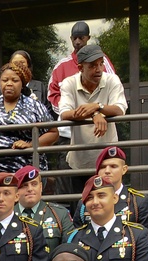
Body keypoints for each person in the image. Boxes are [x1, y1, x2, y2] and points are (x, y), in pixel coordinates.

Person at [0, 61, 57, 202]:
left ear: (23, 84)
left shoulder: (34, 106)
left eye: (14, 80)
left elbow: (53, 132)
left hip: (22, 171)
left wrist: (30, 144)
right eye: (5, 80)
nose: (9, 83)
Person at [57, 44, 127, 192]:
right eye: (93, 65)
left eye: (101, 63)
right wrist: (95, 114)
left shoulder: (112, 80)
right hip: (80, 162)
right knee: (82, 209)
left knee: (109, 206)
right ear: (80, 68)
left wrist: (97, 106)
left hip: (108, 162)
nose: (99, 69)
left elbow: (120, 109)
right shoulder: (69, 83)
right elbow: (64, 113)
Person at [71, 146, 148, 232]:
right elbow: (77, 237)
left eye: (113, 166)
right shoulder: (85, 203)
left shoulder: (138, 201)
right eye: (103, 167)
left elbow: (145, 238)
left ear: (124, 169)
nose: (107, 171)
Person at [47, 21, 117, 114]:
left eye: (81, 38)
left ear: (88, 38)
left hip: (101, 120)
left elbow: (113, 88)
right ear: (71, 39)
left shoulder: (101, 60)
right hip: (72, 121)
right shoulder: (61, 66)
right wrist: (74, 112)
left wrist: (97, 110)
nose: (77, 42)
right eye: (74, 38)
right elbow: (53, 95)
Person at [13, 165, 74, 251]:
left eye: (34, 184)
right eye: (24, 185)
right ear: (16, 191)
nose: (30, 189)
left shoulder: (59, 214)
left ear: (41, 187)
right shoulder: (7, 216)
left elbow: (70, 250)